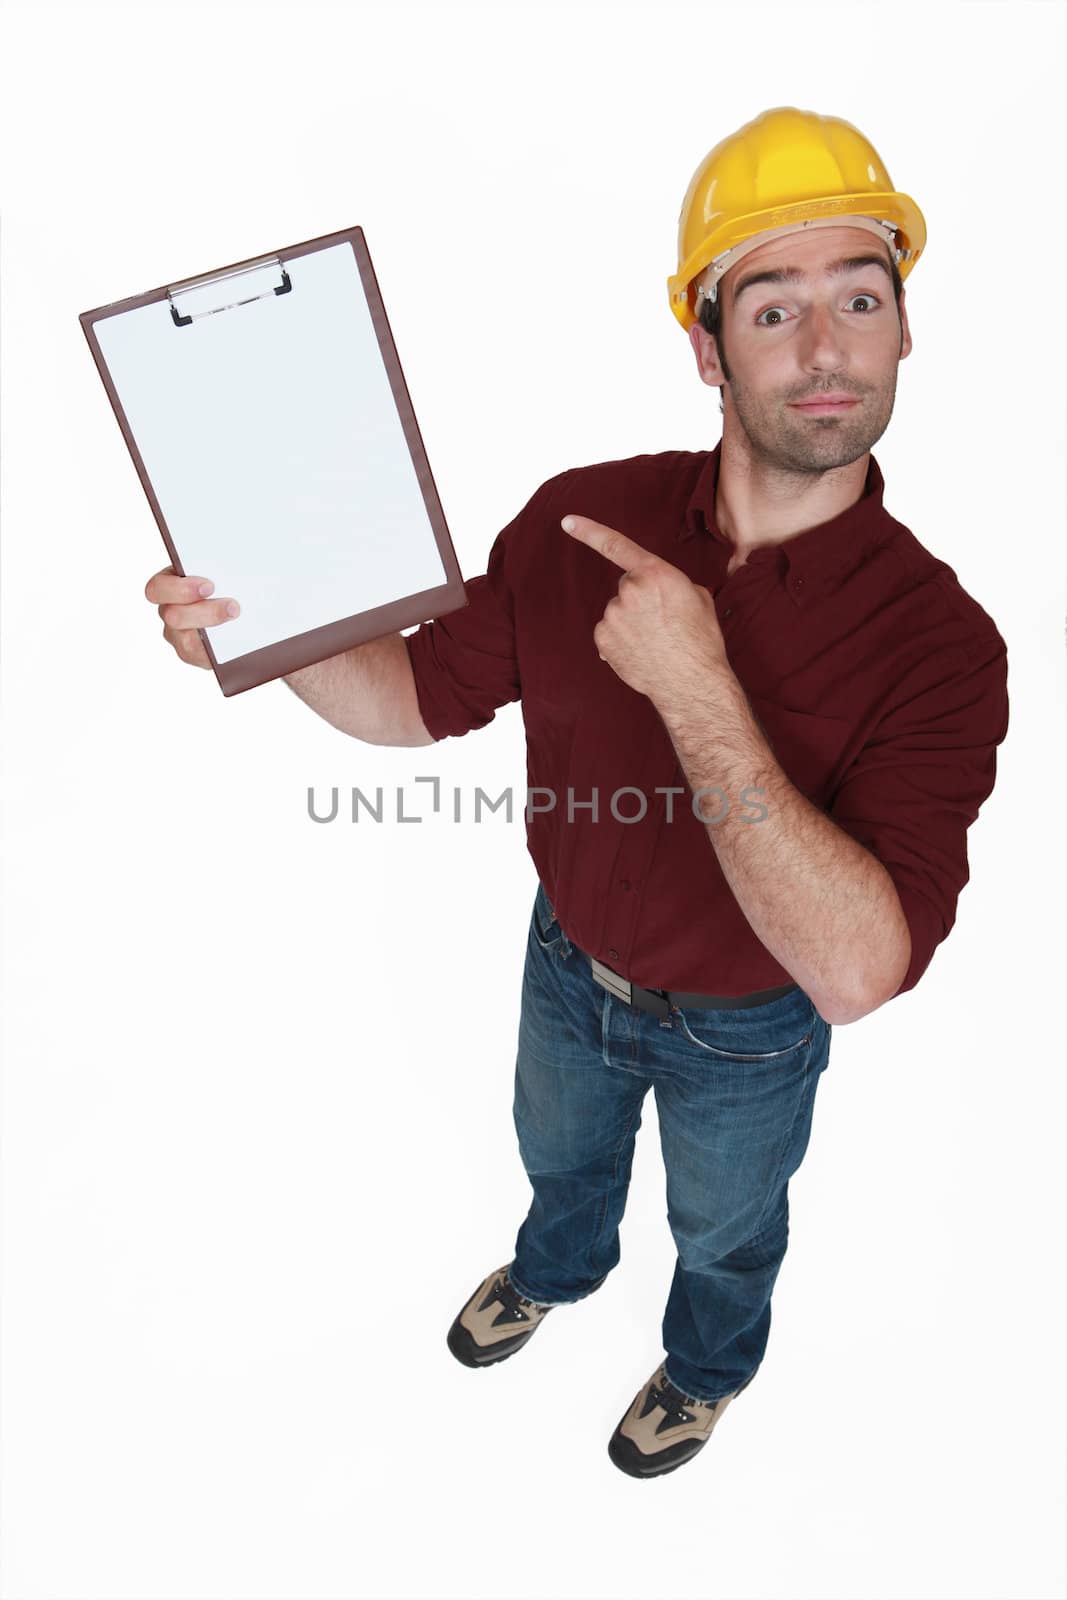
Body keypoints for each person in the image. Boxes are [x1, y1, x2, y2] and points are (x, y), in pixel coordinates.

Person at [144, 106, 1010, 1479]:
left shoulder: (943, 647)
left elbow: (854, 972)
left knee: (728, 1232)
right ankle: (554, 1273)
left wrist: (697, 683)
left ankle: (708, 1366)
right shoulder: (580, 518)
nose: (826, 346)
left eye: (860, 297)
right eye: (772, 308)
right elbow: (410, 699)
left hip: (752, 1036)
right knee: (560, 1168)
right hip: (567, 973)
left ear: (906, 329)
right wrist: (261, 628)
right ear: (705, 346)